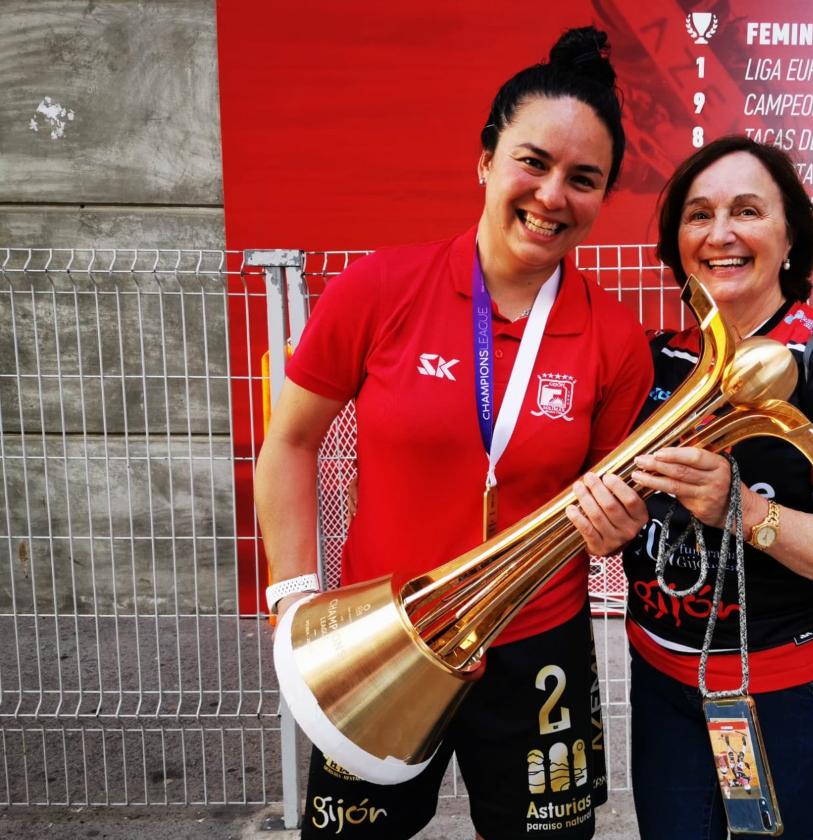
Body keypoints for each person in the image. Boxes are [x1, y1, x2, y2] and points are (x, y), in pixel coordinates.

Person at [253, 27, 652, 840]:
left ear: (604, 197)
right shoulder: (380, 287)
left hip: (536, 646)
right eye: (532, 162)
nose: (551, 197)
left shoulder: (615, 339)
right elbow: (290, 442)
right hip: (382, 640)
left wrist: (621, 529)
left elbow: (611, 508)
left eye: (584, 180)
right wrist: (294, 600)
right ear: (485, 159)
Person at [622, 135, 813, 839]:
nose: (721, 234)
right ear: (676, 240)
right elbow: (632, 523)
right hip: (662, 681)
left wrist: (740, 510)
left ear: (789, 237)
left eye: (746, 211)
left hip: (788, 691)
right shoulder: (658, 360)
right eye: (699, 214)